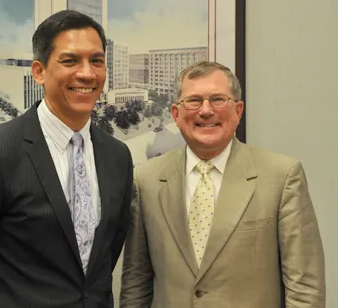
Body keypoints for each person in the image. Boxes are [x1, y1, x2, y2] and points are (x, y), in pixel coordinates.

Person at [0, 10, 133, 308]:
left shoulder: (118, 156)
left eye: (96, 60)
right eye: (70, 60)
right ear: (39, 71)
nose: (87, 73)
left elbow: (106, 254)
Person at [120, 61, 325, 308]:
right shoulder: (145, 180)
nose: (206, 111)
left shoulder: (282, 177)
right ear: (176, 113)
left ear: (238, 110)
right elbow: (135, 283)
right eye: (194, 100)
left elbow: (304, 288)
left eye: (218, 99)